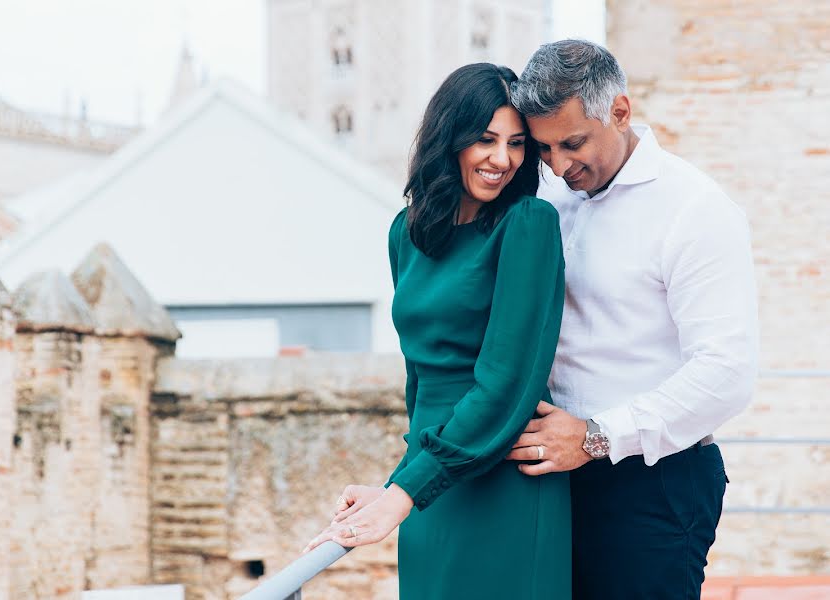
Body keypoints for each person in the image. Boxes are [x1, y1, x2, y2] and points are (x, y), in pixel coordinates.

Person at [303, 63, 571, 599]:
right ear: (450, 138)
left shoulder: (528, 224)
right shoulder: (406, 233)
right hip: (433, 491)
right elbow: (421, 386)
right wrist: (397, 485)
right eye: (485, 139)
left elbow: (505, 384)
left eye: (517, 144)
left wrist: (403, 494)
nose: (503, 159)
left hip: (504, 481)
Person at [505, 40, 759, 600]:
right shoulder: (551, 193)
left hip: (652, 482)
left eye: (572, 143)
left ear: (620, 112)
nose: (558, 165)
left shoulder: (695, 209)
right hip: (550, 479)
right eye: (544, 149)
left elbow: (727, 372)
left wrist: (595, 437)